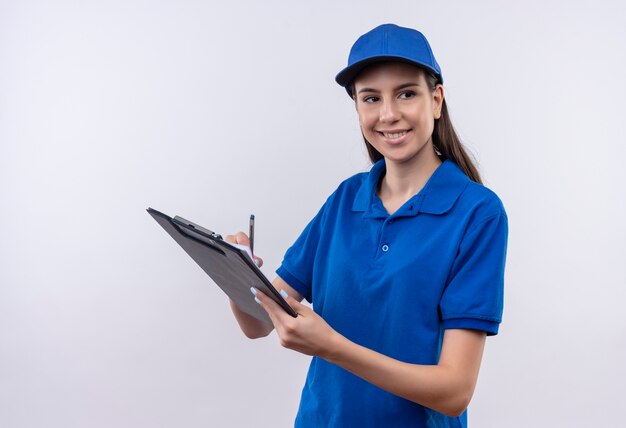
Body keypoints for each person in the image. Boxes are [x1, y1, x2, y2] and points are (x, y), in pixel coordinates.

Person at [226, 23, 508, 428]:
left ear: (436, 100)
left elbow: (454, 391)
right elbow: (258, 325)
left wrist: (335, 347)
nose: (388, 114)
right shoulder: (345, 200)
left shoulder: (478, 214)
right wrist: (238, 275)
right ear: (358, 108)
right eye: (371, 98)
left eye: (406, 93)